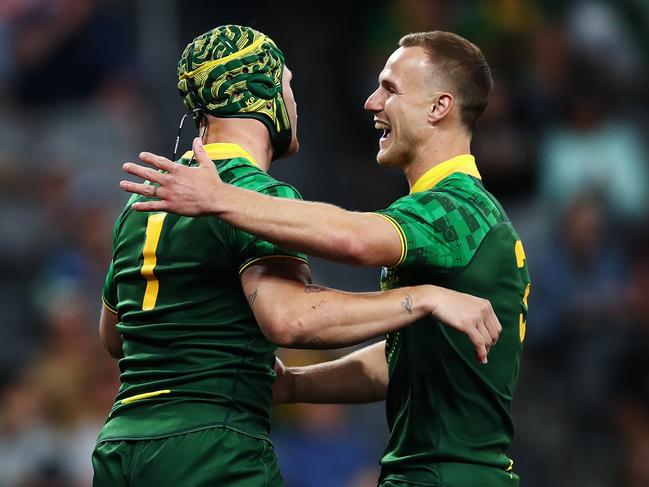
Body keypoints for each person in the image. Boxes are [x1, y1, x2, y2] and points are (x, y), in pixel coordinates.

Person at [95, 25, 501, 487]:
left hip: (119, 446)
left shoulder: (145, 201)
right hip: (212, 447)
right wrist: (422, 298)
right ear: (262, 96)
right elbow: (290, 319)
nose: (293, 102)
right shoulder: (257, 197)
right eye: (288, 87)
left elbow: (114, 336)